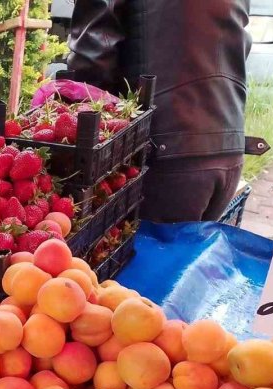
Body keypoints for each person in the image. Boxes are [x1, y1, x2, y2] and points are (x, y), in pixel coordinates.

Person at [66, 0, 252, 223]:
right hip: (228, 145)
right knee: (186, 252)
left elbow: (92, 57)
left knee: (144, 254)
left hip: (164, 154)